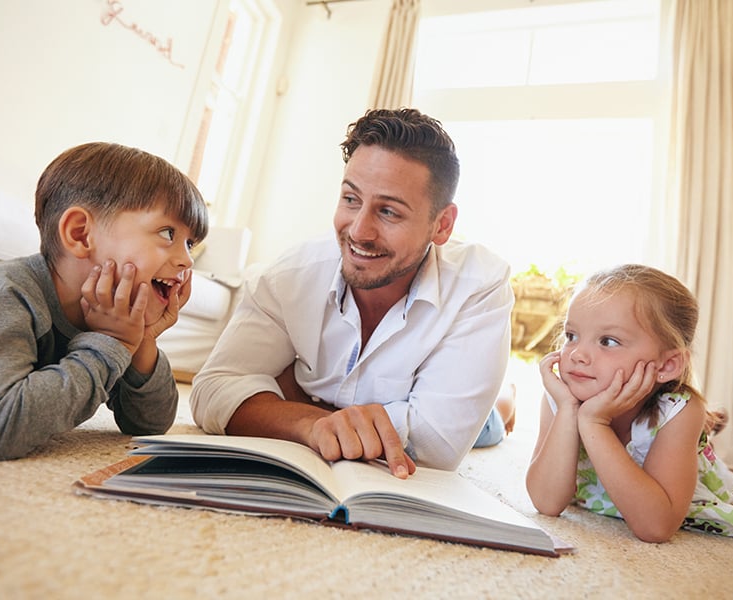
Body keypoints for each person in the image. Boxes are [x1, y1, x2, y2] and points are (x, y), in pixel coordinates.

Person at [191, 108, 515, 478]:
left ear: (441, 225)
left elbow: (436, 447)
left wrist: (284, 402)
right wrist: (310, 423)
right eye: (350, 199)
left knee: (489, 427)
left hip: (452, 397)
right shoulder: (289, 276)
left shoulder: (480, 285)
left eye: (389, 212)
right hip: (347, 398)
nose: (359, 231)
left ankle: (506, 396)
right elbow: (211, 391)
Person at [0, 142, 208, 461]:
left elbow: (149, 424)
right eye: (168, 234)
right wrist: (109, 344)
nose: (186, 260)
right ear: (80, 234)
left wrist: (142, 340)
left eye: (191, 244)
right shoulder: (7, 291)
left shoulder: (110, 314)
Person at [525, 264, 733, 541]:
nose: (577, 354)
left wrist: (594, 422)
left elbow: (655, 527)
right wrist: (568, 410)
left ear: (668, 364)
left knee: (694, 422)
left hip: (679, 482)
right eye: (571, 336)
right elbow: (546, 502)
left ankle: (706, 427)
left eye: (608, 341)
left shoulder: (679, 411)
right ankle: (711, 422)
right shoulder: (562, 397)